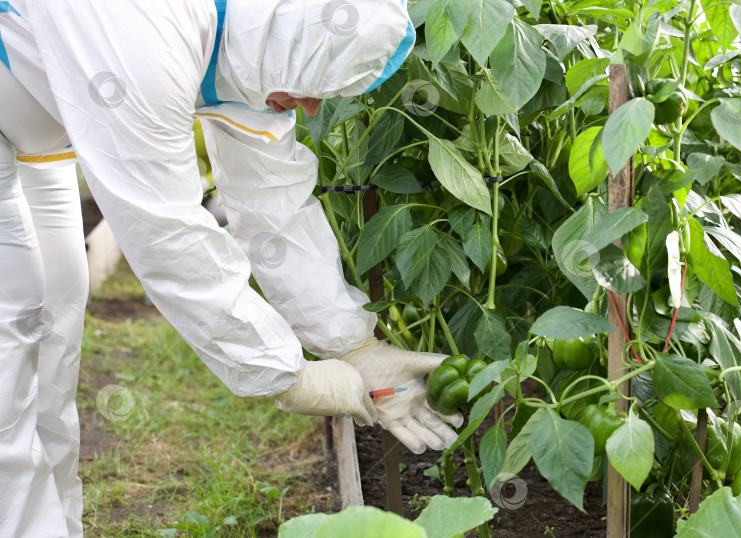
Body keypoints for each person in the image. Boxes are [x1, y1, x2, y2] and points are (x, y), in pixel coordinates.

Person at [0, 1, 461, 536]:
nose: (311, 107)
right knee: (13, 323)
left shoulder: (259, 46)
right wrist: (285, 375)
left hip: (31, 134)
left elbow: (274, 210)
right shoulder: (143, 26)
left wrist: (353, 345)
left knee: (55, 314)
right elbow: (166, 231)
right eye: (315, 85)